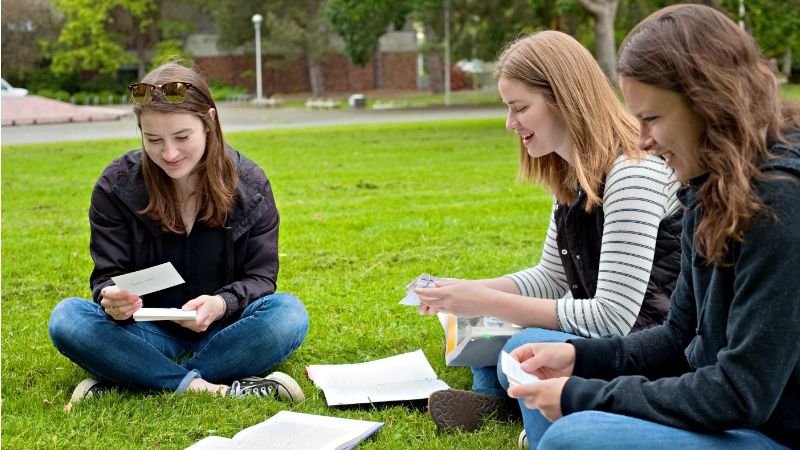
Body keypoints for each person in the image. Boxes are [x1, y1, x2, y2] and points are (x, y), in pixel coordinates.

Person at [507, 4, 800, 449]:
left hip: (769, 427)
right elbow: (677, 338)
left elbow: (741, 392)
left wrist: (586, 394)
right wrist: (578, 356)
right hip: (724, 408)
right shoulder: (706, 185)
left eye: (653, 119)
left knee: (575, 435)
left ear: (709, 104)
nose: (642, 139)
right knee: (539, 372)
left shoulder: (780, 203)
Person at [417, 30, 683, 432]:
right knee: (486, 329)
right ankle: (506, 403)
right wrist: (466, 292)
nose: (510, 124)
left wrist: (488, 300)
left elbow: (612, 318)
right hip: (607, 336)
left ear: (564, 99)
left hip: (639, 349)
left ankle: (526, 410)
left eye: (519, 107)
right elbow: (550, 278)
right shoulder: (573, 172)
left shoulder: (632, 172)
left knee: (519, 345)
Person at [48, 62, 309, 404]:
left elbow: (261, 277)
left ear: (210, 123)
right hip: (144, 331)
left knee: (288, 314)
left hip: (226, 329)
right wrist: (112, 300)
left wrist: (221, 303)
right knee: (68, 318)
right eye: (153, 139)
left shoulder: (251, 185)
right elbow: (107, 279)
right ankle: (206, 387)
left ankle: (133, 377)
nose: (169, 154)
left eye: (182, 137)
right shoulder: (116, 187)